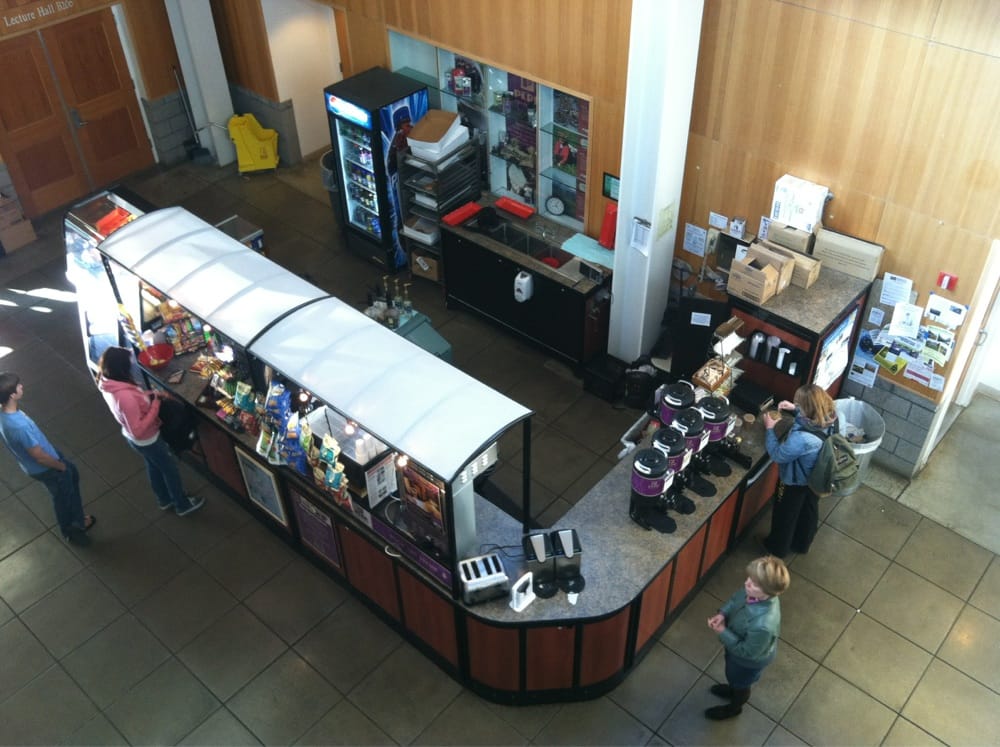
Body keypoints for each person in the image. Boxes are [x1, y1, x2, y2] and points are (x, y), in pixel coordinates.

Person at [97, 347, 204, 516]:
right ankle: (182, 505)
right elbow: (138, 429)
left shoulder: (110, 383)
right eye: (128, 364)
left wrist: (151, 394)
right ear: (122, 368)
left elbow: (134, 401)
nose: (131, 367)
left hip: (136, 440)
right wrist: (156, 404)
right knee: (170, 470)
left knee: (154, 466)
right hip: (147, 440)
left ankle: (164, 499)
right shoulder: (124, 397)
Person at [0, 372, 96, 546]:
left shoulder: (5, 415)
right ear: (12, 394)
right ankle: (73, 529)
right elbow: (39, 456)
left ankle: (78, 520)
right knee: (64, 498)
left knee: (68, 487)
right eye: (18, 385)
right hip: (48, 467)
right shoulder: (18, 426)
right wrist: (60, 466)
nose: (22, 386)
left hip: (44, 461)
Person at [705, 555, 790, 720]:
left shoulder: (764, 625)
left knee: (741, 683)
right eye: (749, 578)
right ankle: (732, 688)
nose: (747, 584)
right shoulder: (755, 592)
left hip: (747, 661)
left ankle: (734, 708)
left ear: (769, 592)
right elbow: (735, 600)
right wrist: (723, 613)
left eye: (754, 584)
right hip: (736, 648)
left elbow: (747, 652)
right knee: (733, 676)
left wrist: (722, 631)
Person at [759, 384, 836, 558]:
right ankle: (802, 544)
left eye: (799, 403)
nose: (796, 404)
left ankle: (776, 548)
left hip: (793, 482)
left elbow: (778, 455)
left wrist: (770, 428)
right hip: (815, 478)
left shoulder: (801, 438)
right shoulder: (831, 418)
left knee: (784, 515)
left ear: (808, 408)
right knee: (808, 511)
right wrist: (795, 409)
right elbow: (811, 417)